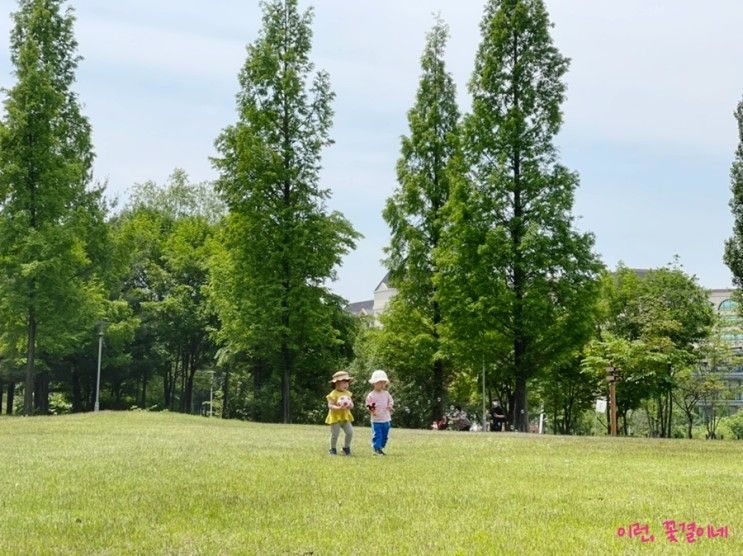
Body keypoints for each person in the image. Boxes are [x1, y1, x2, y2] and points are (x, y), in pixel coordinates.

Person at [325, 370, 354, 456]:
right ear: (336, 383)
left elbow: (351, 404)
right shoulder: (333, 394)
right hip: (335, 417)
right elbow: (330, 405)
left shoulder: (347, 393)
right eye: (344, 382)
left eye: (347, 382)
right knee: (335, 434)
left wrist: (350, 406)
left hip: (345, 417)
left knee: (350, 432)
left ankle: (346, 448)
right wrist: (338, 407)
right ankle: (332, 449)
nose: (346, 384)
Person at [365, 369, 394, 455]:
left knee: (385, 436)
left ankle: (380, 447)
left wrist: (390, 405)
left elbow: (391, 401)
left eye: (383, 383)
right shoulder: (371, 395)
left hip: (386, 419)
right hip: (376, 420)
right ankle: (376, 448)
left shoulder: (386, 393)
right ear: (374, 383)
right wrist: (372, 410)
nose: (382, 385)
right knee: (378, 435)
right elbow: (368, 404)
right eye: (380, 382)